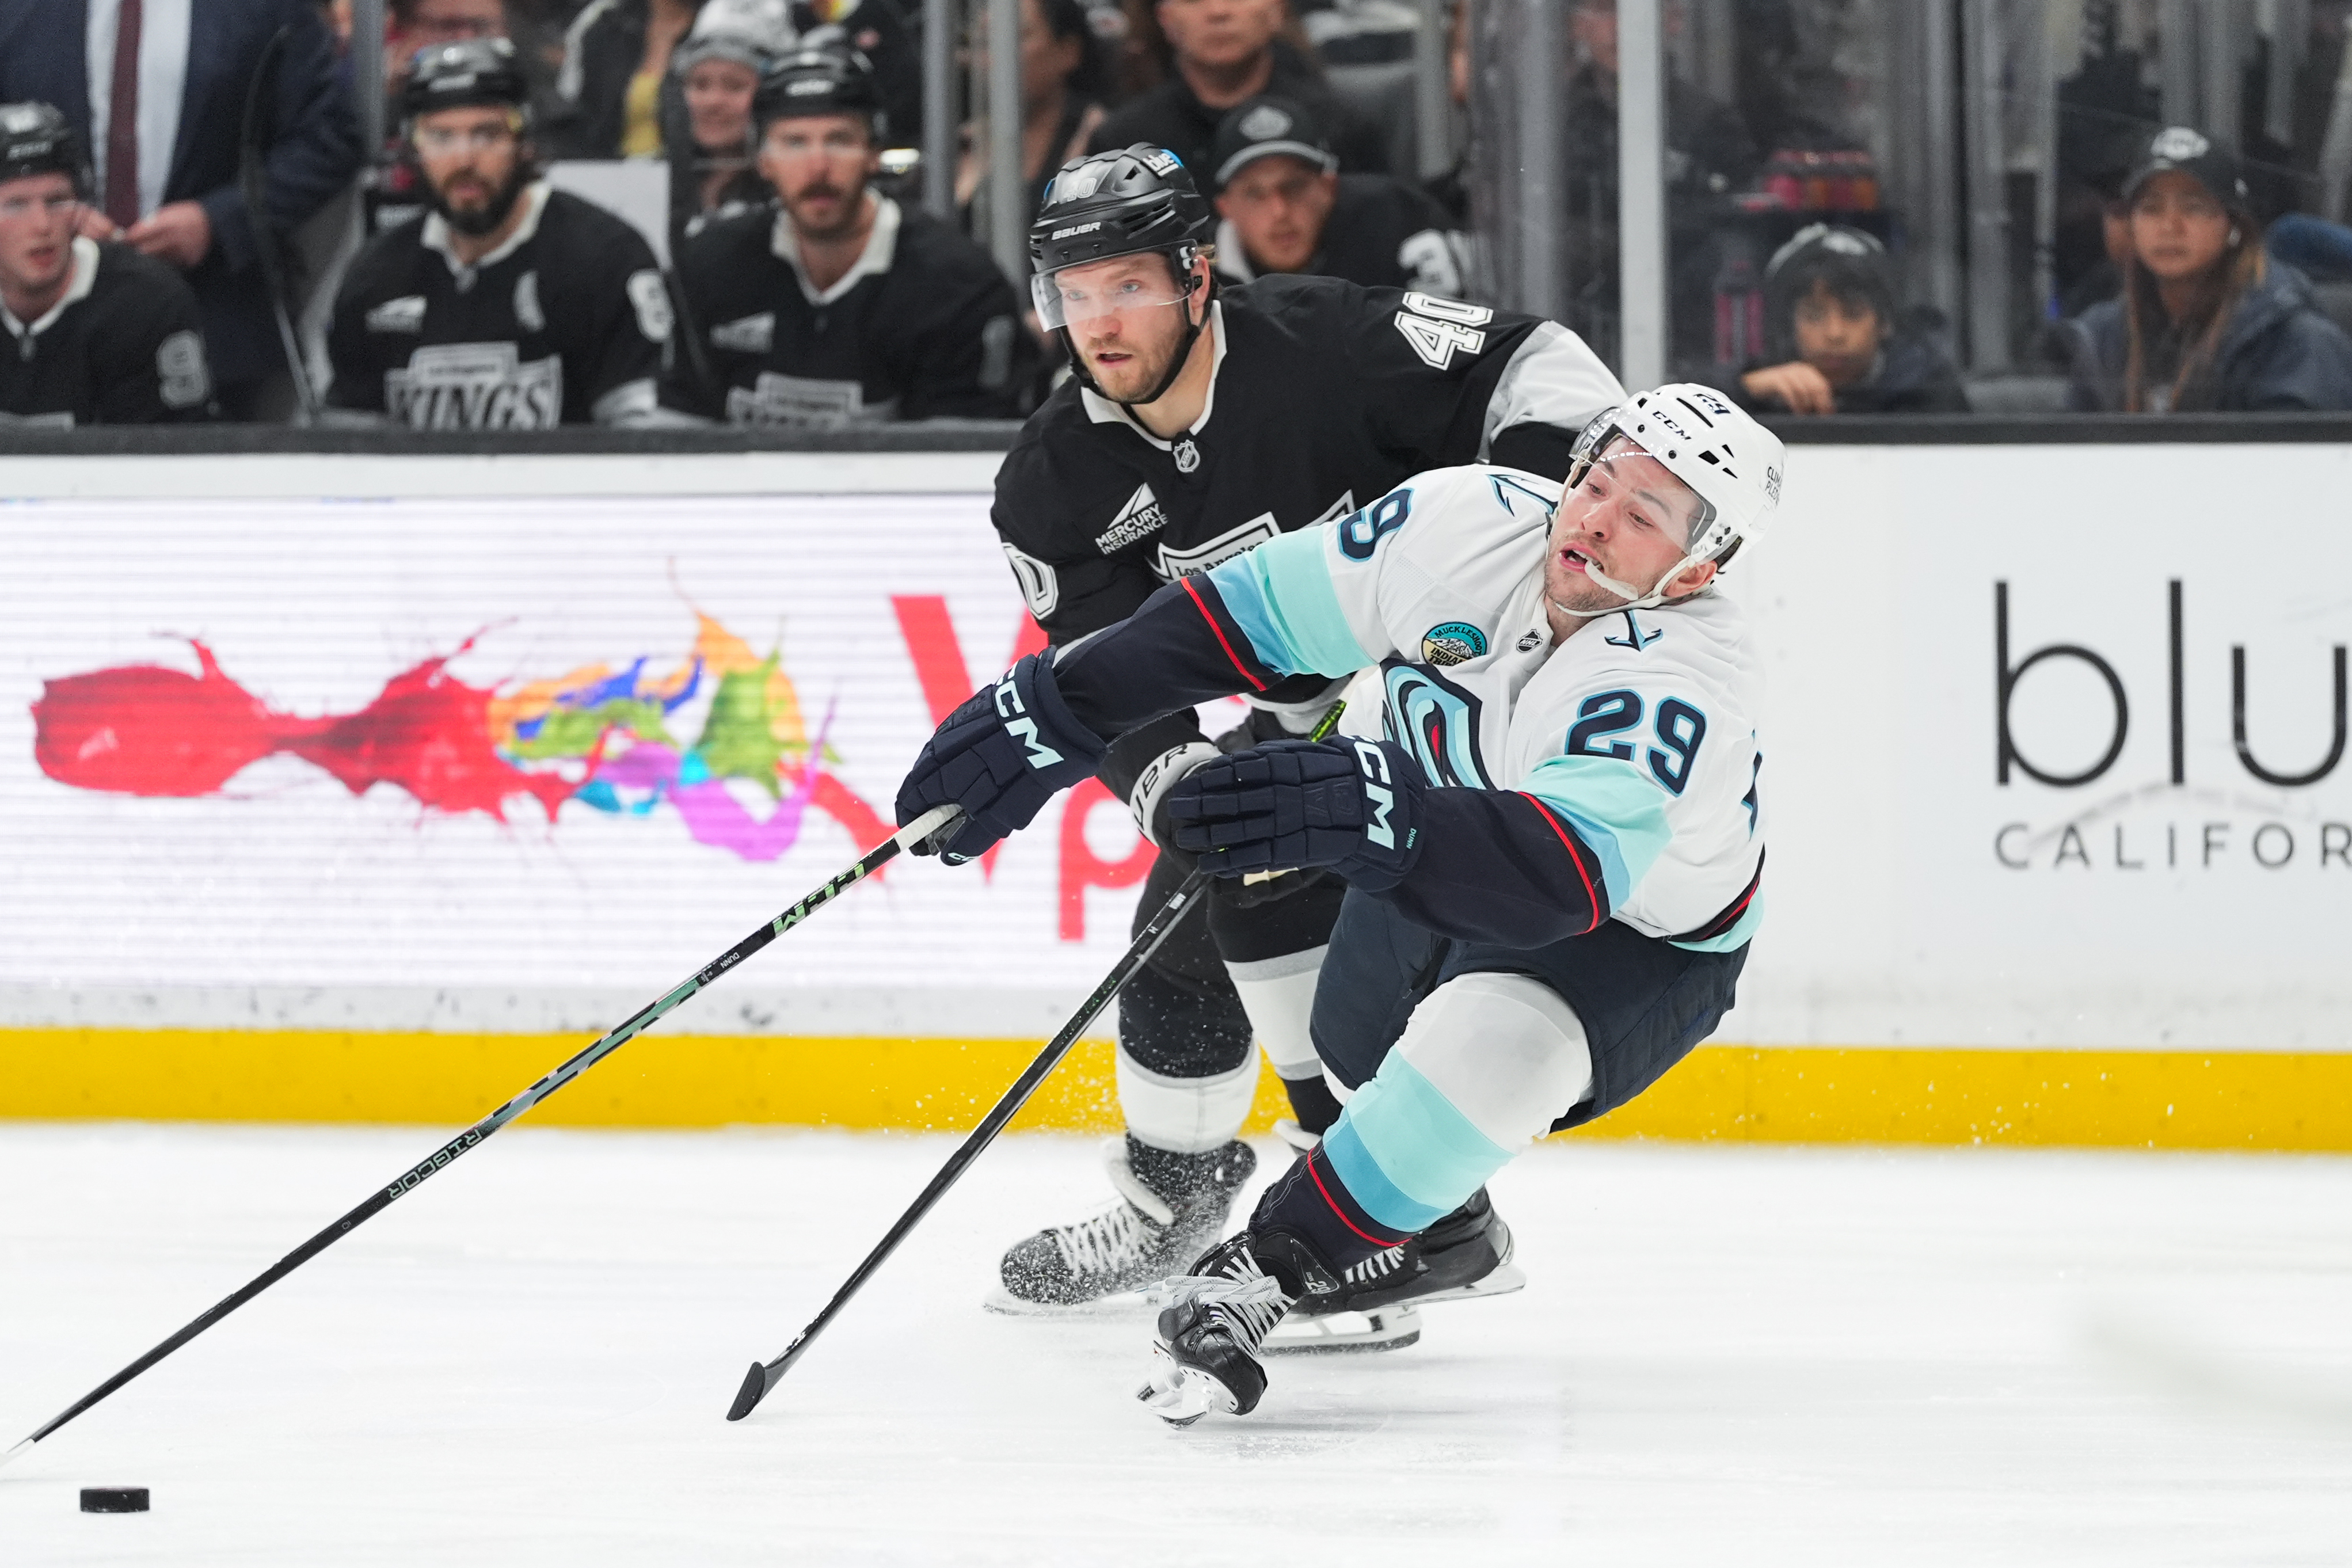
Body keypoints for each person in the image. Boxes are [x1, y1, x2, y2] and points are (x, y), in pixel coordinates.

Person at [896, 384, 1782, 1419]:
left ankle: (1270, 1266)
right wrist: (1064, 706)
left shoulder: (1679, 680)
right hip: (1446, 840)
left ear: (1701, 565)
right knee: (1351, 1042)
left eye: (1643, 515)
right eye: (1596, 480)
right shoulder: (1466, 519)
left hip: (1623, 932)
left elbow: (1558, 876)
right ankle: (1434, 1222)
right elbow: (1241, 615)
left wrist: (1372, 818)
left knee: (1486, 1057)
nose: (1592, 517)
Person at [965, 144, 1626, 1342]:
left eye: (1129, 285)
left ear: (1197, 277)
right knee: (1176, 933)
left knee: (1270, 877)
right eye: (1075, 291)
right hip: (1313, 713)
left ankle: (1383, 1223)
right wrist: (1172, 780)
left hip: (1466, 688)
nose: (1101, 321)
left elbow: (1543, 361)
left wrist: (1522, 522)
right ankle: (1178, 1205)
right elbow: (1113, 681)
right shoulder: (1053, 481)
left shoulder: (1328, 348)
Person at [0, 0, 363, 417]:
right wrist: (58, 214)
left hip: (223, 322)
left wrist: (220, 220)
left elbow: (330, 135)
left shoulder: (265, 7)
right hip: (37, 349)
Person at [664, 44, 1034, 425]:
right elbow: (674, 430)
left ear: (874, 153)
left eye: (839, 140)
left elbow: (961, 456)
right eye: (795, 142)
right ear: (763, 160)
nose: (818, 167)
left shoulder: (958, 283)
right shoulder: (710, 265)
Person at [325, 39, 673, 428]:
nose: (464, 159)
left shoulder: (605, 258)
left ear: (524, 144)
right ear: (412, 149)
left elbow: (641, 442)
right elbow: (349, 440)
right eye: (440, 137)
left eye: (487, 134)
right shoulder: (377, 274)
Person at [2060, 128, 2352, 413]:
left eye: (2194, 208)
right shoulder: (2104, 339)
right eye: (2151, 209)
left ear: (2235, 227)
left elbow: (2294, 460)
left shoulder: (2297, 344)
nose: (2170, 227)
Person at [0, 101, 212, 424]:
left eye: (57, 201)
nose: (42, 225)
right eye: (16, 206)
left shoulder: (150, 307)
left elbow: (172, 464)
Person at [1087, 0, 1389, 184]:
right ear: (1166, 20)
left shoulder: (1343, 127)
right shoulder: (1123, 141)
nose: (1218, 12)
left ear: (1277, 12)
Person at [1207, 93, 1464, 295]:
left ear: (1329, 188)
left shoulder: (1399, 219)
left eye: (1295, 187)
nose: (1280, 211)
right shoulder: (1193, 278)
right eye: (1255, 194)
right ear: (1225, 207)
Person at [1733, 224, 1966, 416]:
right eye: (1814, 316)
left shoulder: (1931, 396)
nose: (1835, 334)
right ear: (1788, 326)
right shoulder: (1760, 389)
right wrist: (1745, 391)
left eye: (1853, 314)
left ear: (1885, 323)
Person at [956, 0, 1110, 233]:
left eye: (1017, 36)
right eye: (985, 41)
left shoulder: (1105, 142)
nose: (996, 57)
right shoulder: (961, 145)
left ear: (1068, 50)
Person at [669, 0, 796, 242]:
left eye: (735, 86)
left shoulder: (792, 193)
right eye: (700, 84)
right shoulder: (662, 185)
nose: (713, 102)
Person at [550, 0, 699, 159]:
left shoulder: (716, 25)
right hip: (610, 171)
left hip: (699, 170)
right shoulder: (607, 26)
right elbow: (581, 113)